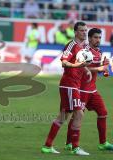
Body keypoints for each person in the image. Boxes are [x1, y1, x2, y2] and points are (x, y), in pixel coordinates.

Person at [41, 22, 90, 155]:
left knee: (63, 116)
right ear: (75, 32)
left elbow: (80, 62)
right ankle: (75, 147)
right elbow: (64, 62)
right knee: (79, 114)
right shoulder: (71, 45)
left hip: (75, 84)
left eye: (86, 30)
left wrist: (86, 70)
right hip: (69, 84)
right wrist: (77, 66)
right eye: (82, 30)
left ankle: (47, 146)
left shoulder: (84, 46)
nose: (85, 33)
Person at [65, 28, 113, 151]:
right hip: (80, 90)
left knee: (103, 113)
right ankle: (69, 143)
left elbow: (104, 73)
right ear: (90, 38)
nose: (98, 40)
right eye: (96, 37)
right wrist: (99, 69)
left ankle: (103, 143)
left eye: (99, 38)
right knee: (77, 116)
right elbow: (80, 68)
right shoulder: (84, 51)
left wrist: (106, 68)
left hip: (92, 90)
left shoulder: (99, 52)